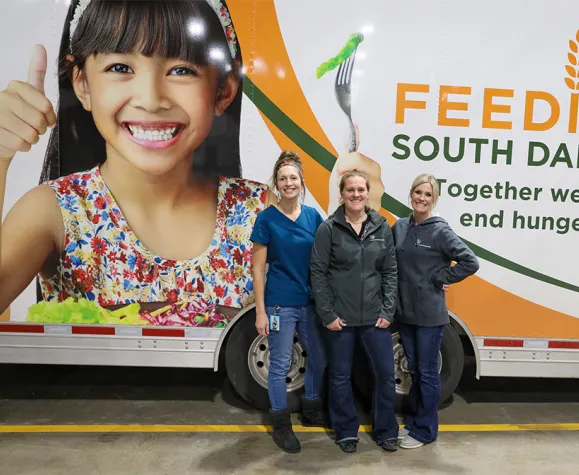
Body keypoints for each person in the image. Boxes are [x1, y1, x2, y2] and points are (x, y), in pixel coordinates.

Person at [0, 0, 267, 322]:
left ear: (223, 91)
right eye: (120, 68)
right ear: (82, 83)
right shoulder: (55, 211)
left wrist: (346, 213)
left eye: (181, 70)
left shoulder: (263, 211)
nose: (151, 100)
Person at [310, 170, 399, 454]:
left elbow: (390, 272)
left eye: (361, 189)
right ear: (342, 193)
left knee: (385, 376)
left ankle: (386, 431)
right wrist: (328, 314)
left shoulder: (381, 227)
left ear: (368, 192)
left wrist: (388, 310)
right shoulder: (329, 229)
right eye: (351, 190)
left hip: (376, 318)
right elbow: (318, 273)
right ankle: (346, 431)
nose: (356, 194)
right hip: (341, 319)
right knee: (339, 377)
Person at [392, 173, 479, 449]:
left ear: (435, 199)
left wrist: (442, 276)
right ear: (410, 193)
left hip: (429, 315)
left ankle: (425, 430)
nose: (422, 198)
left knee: (427, 373)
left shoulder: (440, 230)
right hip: (404, 312)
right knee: (415, 371)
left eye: (428, 194)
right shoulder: (400, 226)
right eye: (418, 192)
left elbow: (470, 261)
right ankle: (415, 422)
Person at [250, 150, 327, 453]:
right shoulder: (267, 218)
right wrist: (260, 311)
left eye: (293, 177)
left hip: (310, 302)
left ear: (301, 181)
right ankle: (281, 424)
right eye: (283, 179)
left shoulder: (312, 217)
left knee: (319, 357)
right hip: (280, 304)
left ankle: (310, 408)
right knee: (280, 364)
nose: (288, 183)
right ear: (276, 184)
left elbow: (323, 260)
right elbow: (258, 268)